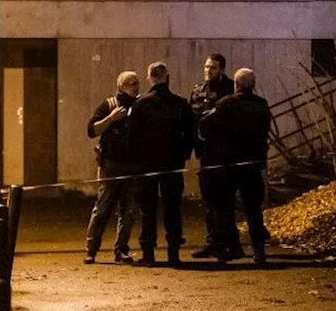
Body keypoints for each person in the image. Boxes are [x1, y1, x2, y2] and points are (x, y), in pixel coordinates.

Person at [199, 67, 274, 265]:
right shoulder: (262, 104)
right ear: (253, 84)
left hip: (229, 163)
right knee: (253, 209)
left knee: (226, 206)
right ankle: (259, 251)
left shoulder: (225, 104)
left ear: (236, 84)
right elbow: (266, 128)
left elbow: (205, 123)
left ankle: (232, 247)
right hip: (253, 164)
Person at [129, 62, 195, 267]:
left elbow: (132, 136)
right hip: (172, 164)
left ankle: (148, 254)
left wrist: (137, 160)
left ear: (150, 77)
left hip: (147, 164)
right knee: (172, 208)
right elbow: (191, 134)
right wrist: (183, 155)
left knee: (148, 210)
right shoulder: (180, 103)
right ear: (166, 77)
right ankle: (173, 254)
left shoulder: (140, 105)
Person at [83, 71, 142, 264]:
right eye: (131, 83)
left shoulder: (140, 106)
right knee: (103, 207)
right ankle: (91, 250)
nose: (136, 86)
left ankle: (121, 250)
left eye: (137, 83)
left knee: (129, 210)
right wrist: (111, 118)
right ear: (121, 87)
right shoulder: (109, 105)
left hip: (132, 165)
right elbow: (91, 130)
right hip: (110, 166)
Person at [189, 53, 237, 259]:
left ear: (222, 70)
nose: (209, 71)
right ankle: (215, 242)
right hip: (206, 154)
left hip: (225, 154)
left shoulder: (231, 90)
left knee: (224, 202)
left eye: (214, 68)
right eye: (207, 67)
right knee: (209, 202)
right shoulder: (199, 90)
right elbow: (193, 119)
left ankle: (229, 244)